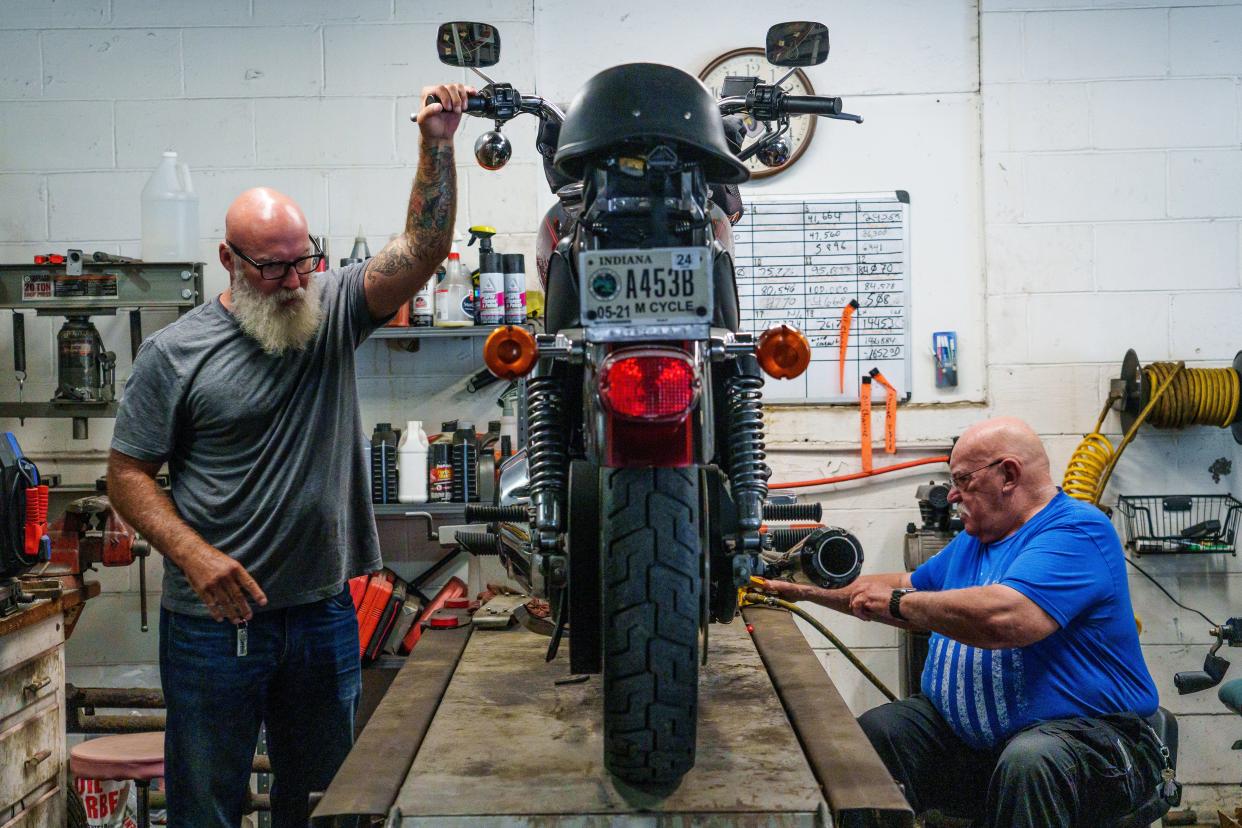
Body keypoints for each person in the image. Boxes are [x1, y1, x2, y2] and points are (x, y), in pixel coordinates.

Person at [105, 82, 473, 826]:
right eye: (272, 268)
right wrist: (194, 556)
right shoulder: (174, 356)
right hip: (213, 622)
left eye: (302, 261)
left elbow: (424, 247)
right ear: (228, 261)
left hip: (319, 613)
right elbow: (127, 474)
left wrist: (437, 142)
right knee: (206, 805)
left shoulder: (332, 308)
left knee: (325, 805)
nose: (292, 281)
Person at [762, 416, 1166, 827]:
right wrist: (802, 588)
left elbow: (1007, 618)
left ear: (1008, 474)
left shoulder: (1077, 531)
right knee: (880, 734)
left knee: (1031, 762)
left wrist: (901, 603)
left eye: (963, 480)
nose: (952, 494)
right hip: (979, 745)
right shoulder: (975, 542)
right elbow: (902, 584)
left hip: (1091, 745)